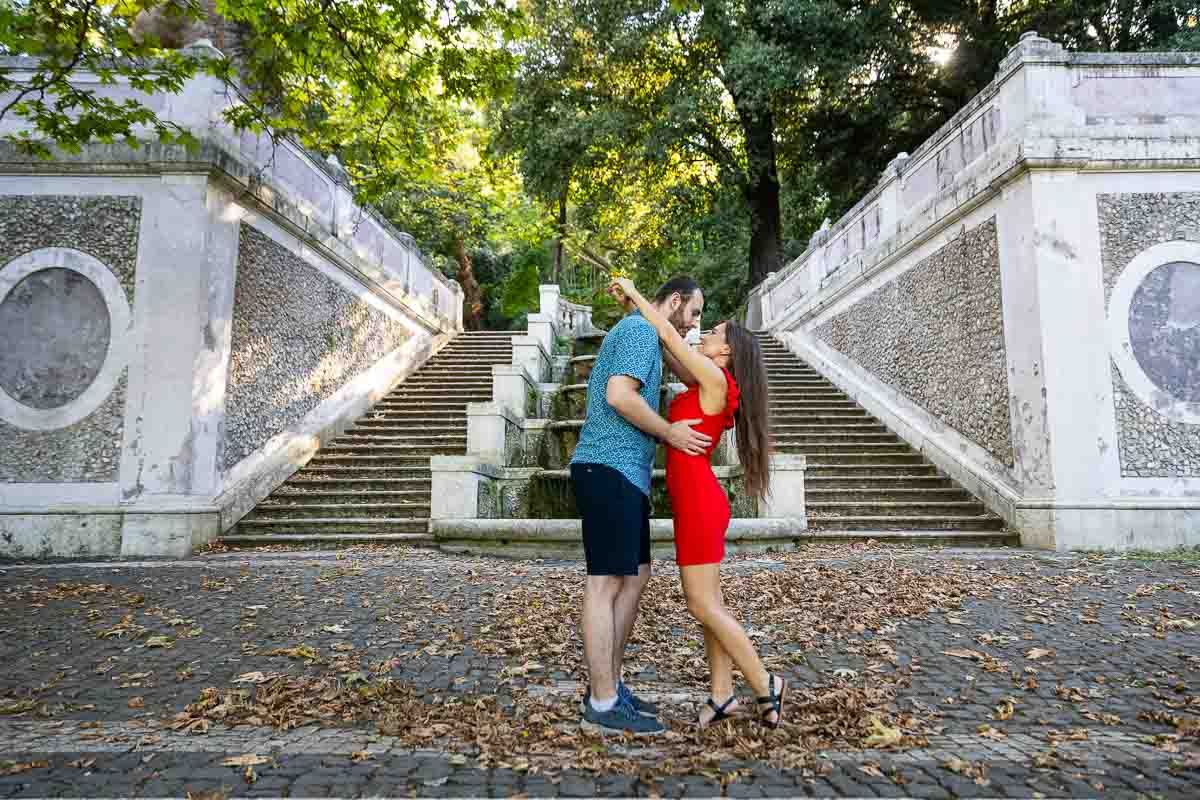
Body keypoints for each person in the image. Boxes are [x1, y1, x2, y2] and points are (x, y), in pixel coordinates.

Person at [609, 276, 787, 730]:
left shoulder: (712, 376)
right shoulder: (706, 376)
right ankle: (722, 694)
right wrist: (635, 312)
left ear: (726, 352)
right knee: (711, 602)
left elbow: (669, 335)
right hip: (695, 503)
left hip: (701, 504)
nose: (703, 333)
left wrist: (635, 291)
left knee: (702, 605)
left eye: (714, 333)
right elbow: (664, 343)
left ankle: (765, 681)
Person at [569, 275, 709, 736]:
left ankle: (610, 685)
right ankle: (603, 701)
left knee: (636, 575)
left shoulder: (649, 331)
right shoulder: (637, 332)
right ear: (674, 301)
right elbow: (619, 396)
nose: (695, 325)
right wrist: (669, 432)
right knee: (606, 581)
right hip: (607, 466)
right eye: (693, 313)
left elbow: (691, 371)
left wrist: (643, 305)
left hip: (624, 474)